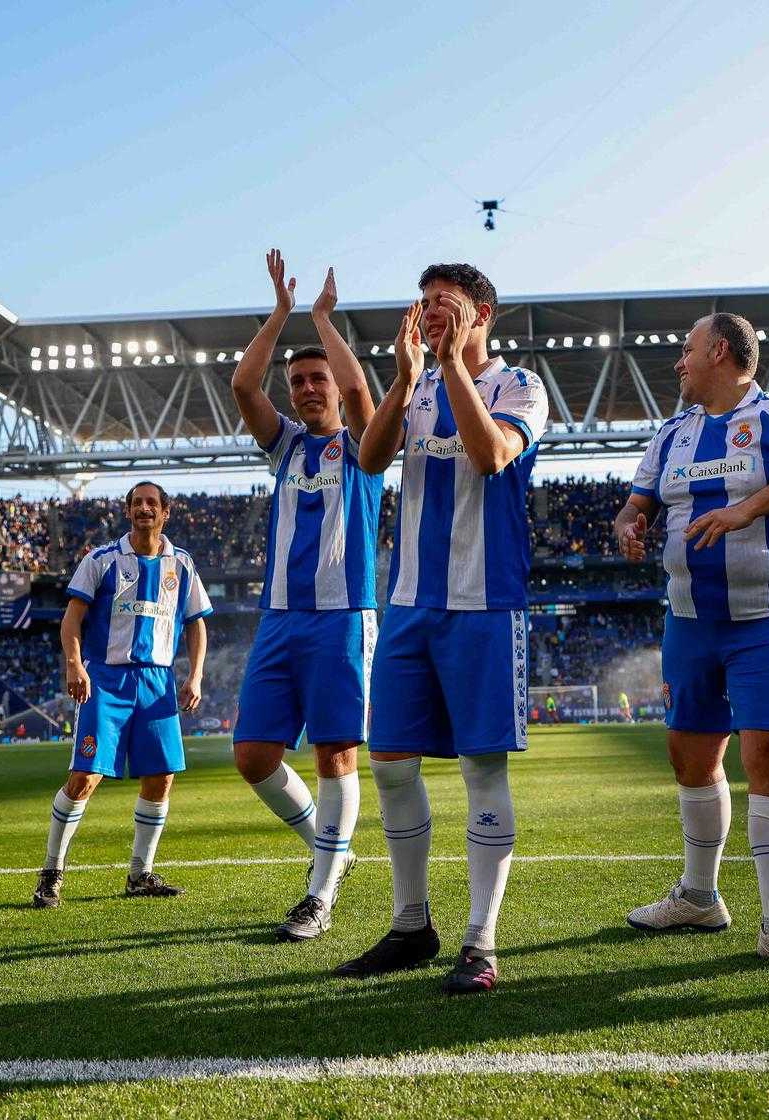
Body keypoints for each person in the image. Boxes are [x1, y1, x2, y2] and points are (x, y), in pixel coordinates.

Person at [612, 311, 769, 970]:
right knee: (690, 759)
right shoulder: (671, 435)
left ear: (719, 351)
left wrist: (748, 507)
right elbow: (636, 504)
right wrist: (628, 525)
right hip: (690, 617)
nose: (679, 363)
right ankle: (699, 896)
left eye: (687, 350)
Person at [339, 262, 548, 995]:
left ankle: (481, 943)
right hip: (410, 601)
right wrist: (403, 378)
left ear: (482, 313)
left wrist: (453, 363)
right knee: (391, 762)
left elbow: (491, 456)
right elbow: (369, 460)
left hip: (485, 602)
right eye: (424, 301)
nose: (429, 311)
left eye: (446, 303)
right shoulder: (420, 385)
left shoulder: (519, 385)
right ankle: (410, 924)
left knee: (481, 769)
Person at [229, 251, 381, 942]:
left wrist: (322, 320)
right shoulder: (284, 446)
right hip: (281, 620)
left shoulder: (365, 447)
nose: (308, 388)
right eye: (298, 381)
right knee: (253, 756)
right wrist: (281, 314)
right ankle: (332, 848)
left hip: (342, 618)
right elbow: (243, 384)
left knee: (334, 756)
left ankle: (319, 894)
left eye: (317, 378)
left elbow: (359, 394)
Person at [30, 481, 211, 908]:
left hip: (157, 682)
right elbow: (72, 618)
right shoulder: (101, 559)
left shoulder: (182, 563)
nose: (144, 508)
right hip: (106, 681)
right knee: (84, 778)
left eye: (152, 503)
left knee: (161, 777)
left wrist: (196, 676)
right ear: (128, 512)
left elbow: (196, 624)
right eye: (137, 503)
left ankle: (140, 874)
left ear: (165, 512)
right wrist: (74, 664)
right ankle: (51, 872)